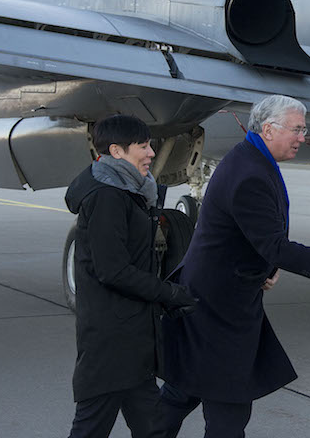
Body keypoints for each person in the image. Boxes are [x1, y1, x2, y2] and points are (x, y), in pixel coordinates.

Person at [159, 94, 310, 438]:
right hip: (217, 306)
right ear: (270, 129)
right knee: (227, 404)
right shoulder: (250, 173)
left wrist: (265, 268)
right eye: (298, 129)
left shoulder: (250, 158)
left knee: (185, 390)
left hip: (214, 295)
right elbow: (274, 244)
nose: (303, 137)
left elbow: (251, 236)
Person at [64, 114, 198, 438]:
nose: (151, 152)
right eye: (143, 145)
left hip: (133, 339)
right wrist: (172, 294)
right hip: (111, 342)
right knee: (91, 428)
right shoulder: (107, 196)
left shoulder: (131, 191)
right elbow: (113, 270)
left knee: (154, 429)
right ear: (117, 151)